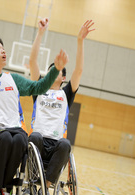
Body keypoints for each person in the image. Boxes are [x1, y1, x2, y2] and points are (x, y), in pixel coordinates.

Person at [0, 35, 68, 195]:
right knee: (7, 138)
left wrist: (55, 70)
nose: (3, 50)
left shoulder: (13, 79)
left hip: (17, 130)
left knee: (18, 139)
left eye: (3, 47)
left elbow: (40, 87)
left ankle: (4, 189)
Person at [28, 18, 95, 194]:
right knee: (33, 136)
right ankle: (32, 181)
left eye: (57, 70)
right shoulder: (39, 88)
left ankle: (46, 186)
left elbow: (78, 71)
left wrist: (80, 41)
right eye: (51, 70)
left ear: (63, 77)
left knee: (66, 143)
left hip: (56, 145)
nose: (53, 72)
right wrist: (40, 33)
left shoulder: (66, 94)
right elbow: (33, 62)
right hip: (38, 142)